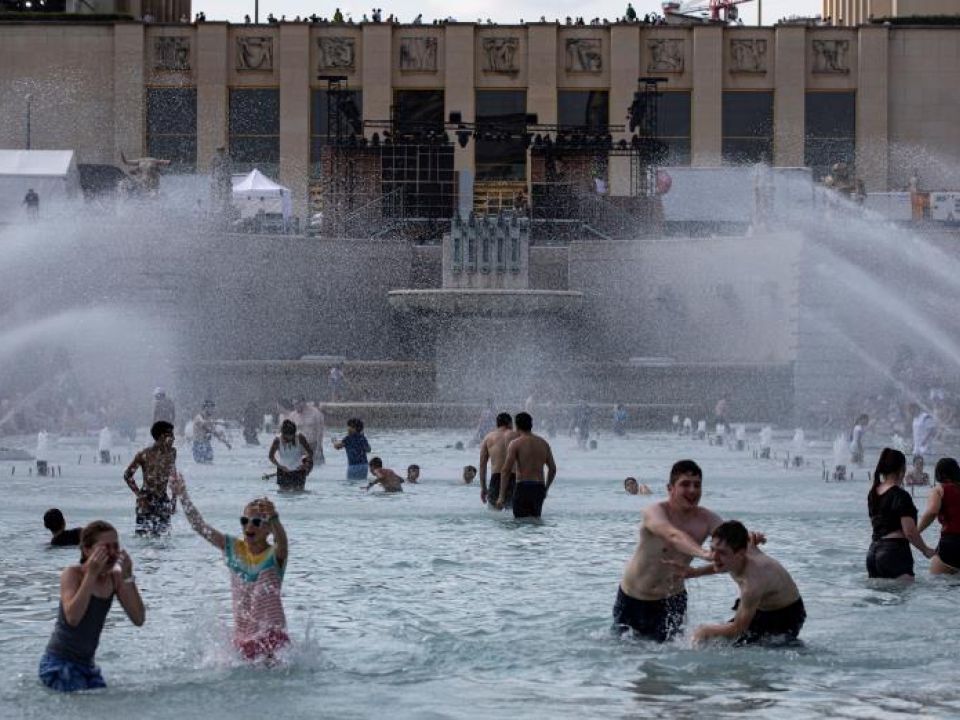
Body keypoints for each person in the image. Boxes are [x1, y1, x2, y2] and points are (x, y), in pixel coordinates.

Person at [613, 460, 765, 643]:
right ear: (670, 488)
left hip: (672, 600)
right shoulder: (654, 511)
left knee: (669, 660)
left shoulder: (707, 519)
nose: (693, 490)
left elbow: (731, 540)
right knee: (623, 654)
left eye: (697, 485)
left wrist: (748, 538)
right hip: (633, 599)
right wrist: (705, 554)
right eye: (685, 484)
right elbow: (673, 536)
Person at [172, 474, 289, 661]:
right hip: (243, 640)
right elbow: (200, 527)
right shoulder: (235, 549)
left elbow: (282, 542)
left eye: (257, 522)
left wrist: (274, 519)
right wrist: (183, 496)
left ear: (268, 529)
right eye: (245, 521)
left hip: (271, 638)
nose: (249, 525)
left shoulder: (274, 555)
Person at [39, 521, 145, 691]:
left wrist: (128, 577)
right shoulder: (72, 574)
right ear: (87, 550)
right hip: (58, 663)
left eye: (115, 546)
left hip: (88, 667)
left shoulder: (114, 578)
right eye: (105, 548)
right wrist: (91, 575)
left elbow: (138, 619)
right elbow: (73, 617)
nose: (112, 553)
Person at [690, 521, 805, 646]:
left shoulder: (751, 584)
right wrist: (694, 572)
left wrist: (704, 630)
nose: (714, 556)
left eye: (722, 552)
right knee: (718, 640)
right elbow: (721, 564)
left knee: (731, 644)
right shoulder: (742, 546)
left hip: (785, 617)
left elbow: (737, 630)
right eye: (712, 549)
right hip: (760, 607)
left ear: (740, 554)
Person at [866, 447, 935, 580]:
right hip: (894, 553)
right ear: (901, 470)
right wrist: (925, 549)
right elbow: (909, 532)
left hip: (873, 553)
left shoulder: (873, 493)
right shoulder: (900, 495)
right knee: (904, 598)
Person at [496, 412, 556, 519]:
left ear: (517, 426)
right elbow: (553, 469)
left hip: (523, 487)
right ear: (531, 425)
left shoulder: (515, 444)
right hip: (539, 487)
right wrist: (545, 489)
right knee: (535, 521)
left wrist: (501, 496)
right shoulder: (543, 443)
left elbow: (506, 470)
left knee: (519, 523)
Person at [123, 420, 178, 536]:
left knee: (164, 540)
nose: (174, 438)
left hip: (163, 500)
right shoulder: (144, 455)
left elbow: (174, 478)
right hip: (146, 500)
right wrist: (139, 495)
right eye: (171, 435)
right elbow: (127, 475)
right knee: (143, 538)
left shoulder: (172, 453)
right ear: (162, 436)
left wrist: (174, 500)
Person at [918, 457, 960, 574]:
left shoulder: (939, 489)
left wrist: (917, 531)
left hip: (951, 543)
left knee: (937, 584)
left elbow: (932, 511)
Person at [478, 412, 517, 508]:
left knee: (494, 515)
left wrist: (483, 488)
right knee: (513, 514)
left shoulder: (488, 438)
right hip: (513, 478)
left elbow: (482, 465)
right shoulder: (516, 436)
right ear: (510, 423)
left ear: (497, 424)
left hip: (496, 478)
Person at [267, 419, 314, 491]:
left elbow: (310, 452)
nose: (290, 437)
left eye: (292, 435)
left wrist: (305, 465)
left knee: (299, 494)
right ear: (283, 433)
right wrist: (280, 466)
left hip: (299, 470)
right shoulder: (277, 440)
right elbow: (271, 456)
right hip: (283, 471)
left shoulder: (300, 437)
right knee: (284, 494)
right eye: (288, 435)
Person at [291, 397, 325, 466]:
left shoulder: (316, 413)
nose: (295, 406)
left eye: (297, 404)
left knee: (318, 468)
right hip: (300, 447)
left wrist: (318, 448)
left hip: (313, 445)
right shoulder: (293, 416)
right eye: (294, 404)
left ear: (303, 403)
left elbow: (320, 432)